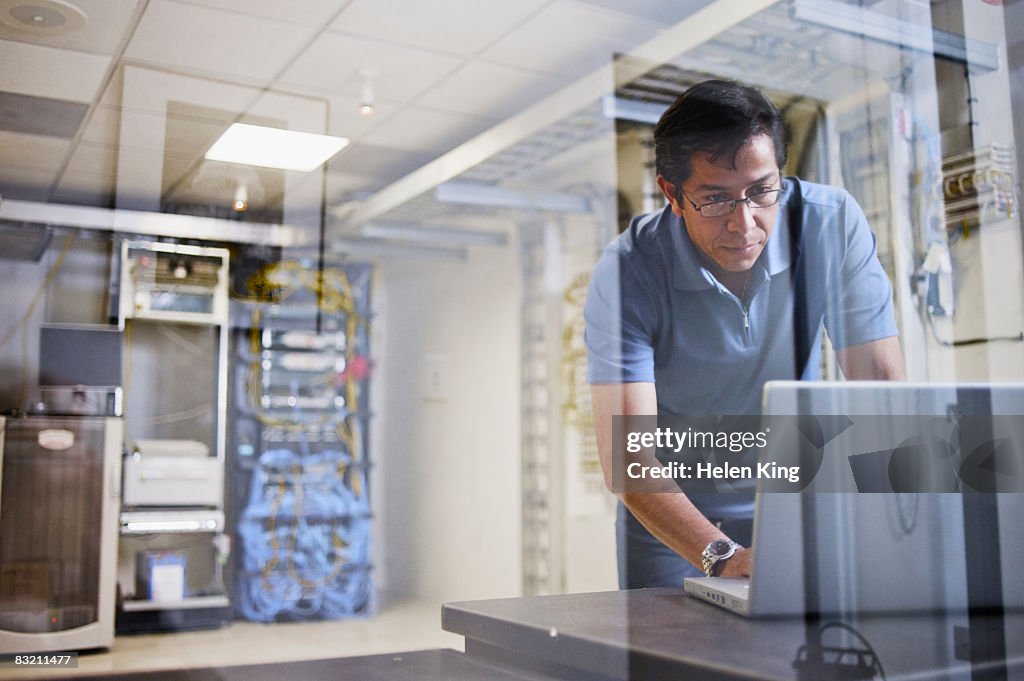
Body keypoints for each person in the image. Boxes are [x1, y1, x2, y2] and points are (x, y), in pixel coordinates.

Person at [584, 79, 906, 589]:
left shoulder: (830, 223)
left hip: (789, 498)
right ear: (673, 194)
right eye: (715, 199)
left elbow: (881, 391)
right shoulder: (628, 270)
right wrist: (720, 555)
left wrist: (890, 522)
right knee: (674, 661)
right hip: (673, 519)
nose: (745, 224)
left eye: (761, 191)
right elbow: (629, 455)